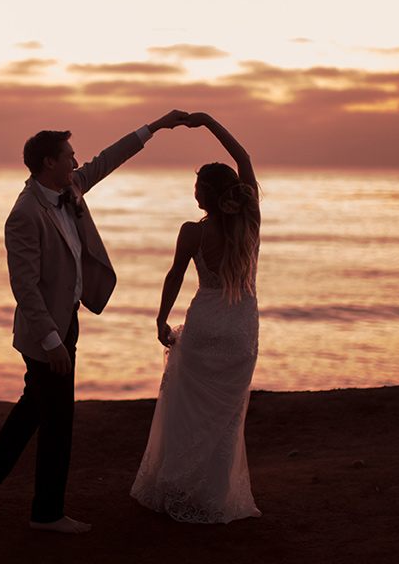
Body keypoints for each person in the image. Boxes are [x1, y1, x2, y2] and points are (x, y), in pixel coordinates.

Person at [0, 110, 190, 534]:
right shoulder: (24, 214)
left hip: (68, 321)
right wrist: (52, 341)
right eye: (69, 155)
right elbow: (25, 287)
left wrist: (156, 127)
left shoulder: (69, 187)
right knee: (57, 421)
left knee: (34, 406)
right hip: (44, 334)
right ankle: (46, 514)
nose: (76, 161)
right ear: (49, 162)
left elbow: (107, 160)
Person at [130, 112, 263, 523]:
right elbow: (243, 157)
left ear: (205, 194)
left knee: (188, 411)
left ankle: (179, 485)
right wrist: (208, 122)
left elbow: (174, 276)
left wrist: (160, 319)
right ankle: (213, 497)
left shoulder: (192, 231)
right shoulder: (250, 222)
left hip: (204, 326)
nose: (193, 193)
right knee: (226, 419)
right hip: (240, 328)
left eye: (196, 187)